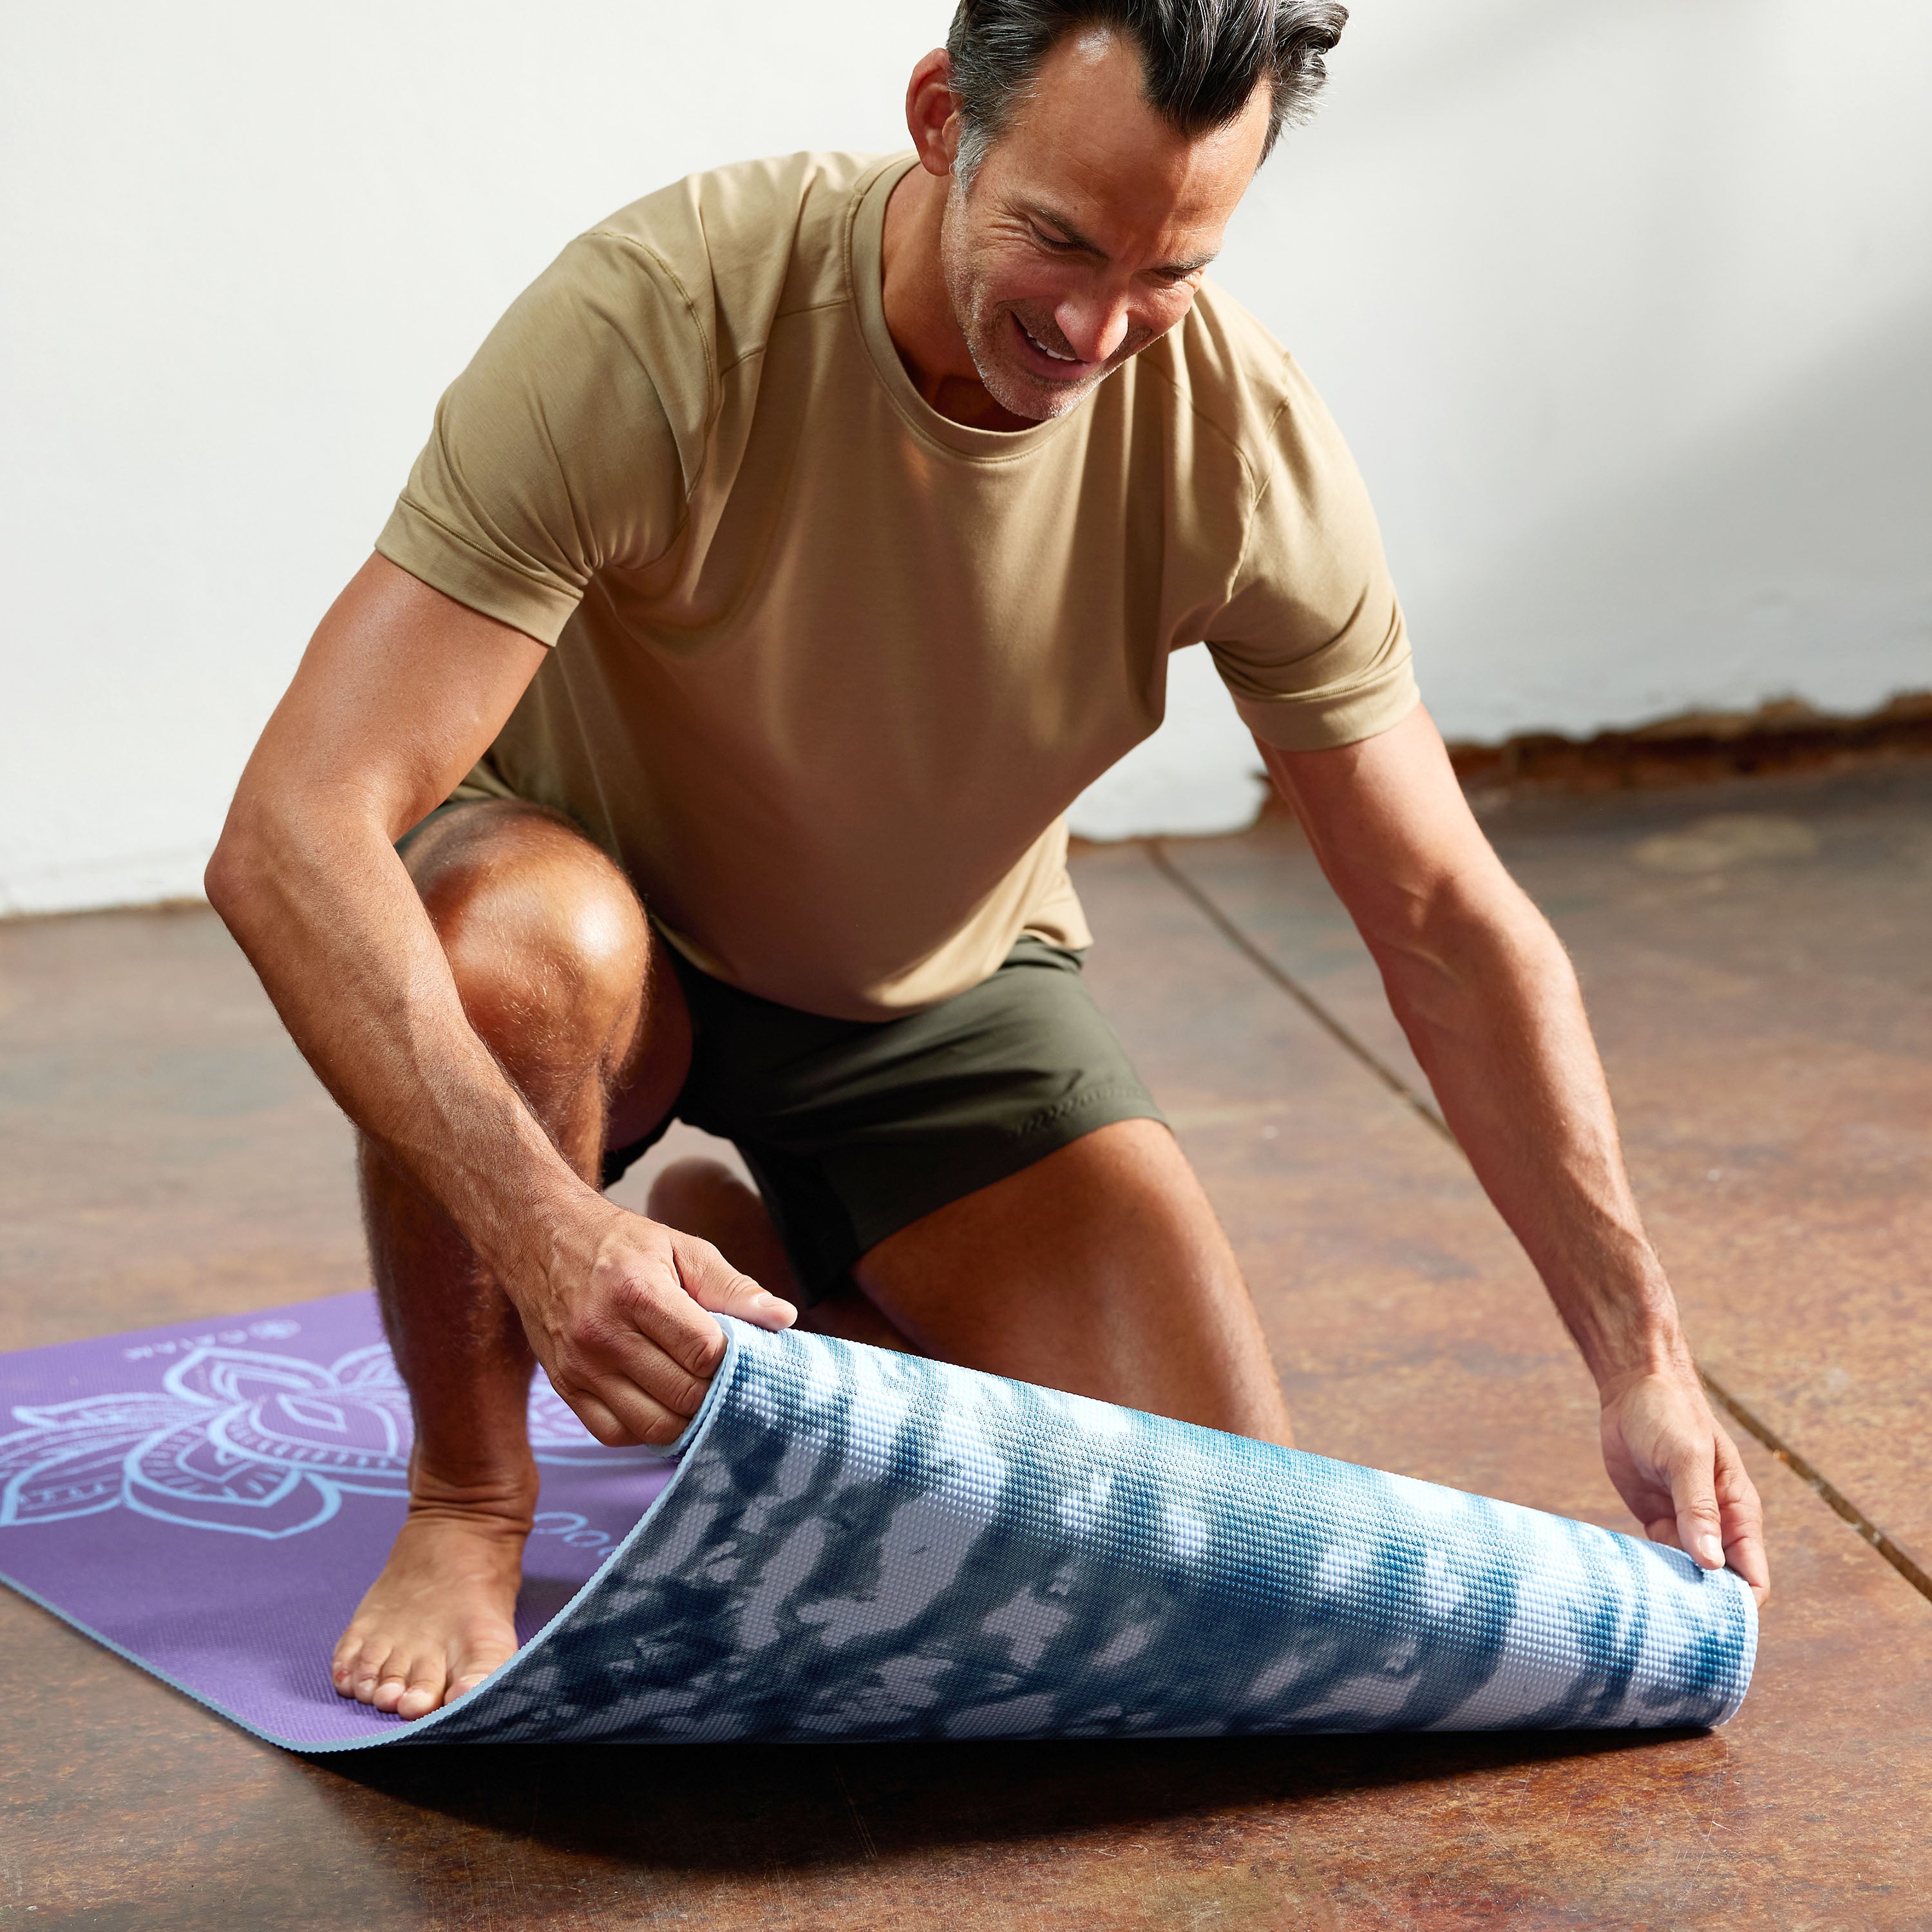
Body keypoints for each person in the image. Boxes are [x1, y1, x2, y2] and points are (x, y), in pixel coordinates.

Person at [206, 0, 1770, 1723]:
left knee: (1208, 1567)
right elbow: (292, 832)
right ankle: (468, 1497)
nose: (1100, 328)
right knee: (510, 952)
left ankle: (799, 1285)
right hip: (609, 940)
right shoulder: (662, 318)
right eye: (1060, 239)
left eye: (1172, 266)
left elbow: (1446, 919)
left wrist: (1643, 1359)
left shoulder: (1237, 440)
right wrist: (553, 1237)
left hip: (934, 987)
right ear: (945, 120)